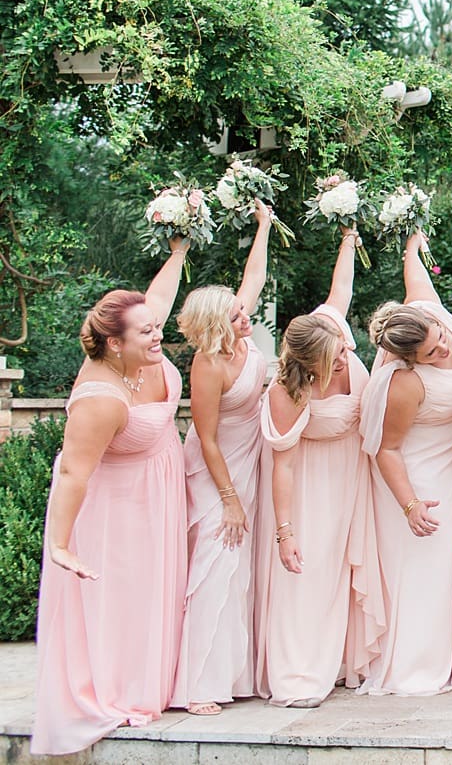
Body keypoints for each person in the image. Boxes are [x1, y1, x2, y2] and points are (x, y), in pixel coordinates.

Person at [32, 241, 190, 756]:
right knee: (126, 598)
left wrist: (180, 248)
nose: (158, 333)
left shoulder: (142, 349)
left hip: (159, 488)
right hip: (117, 510)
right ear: (114, 344)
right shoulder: (100, 399)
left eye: (154, 325)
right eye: (145, 331)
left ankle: (160, 681)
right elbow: (76, 473)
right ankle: (121, 688)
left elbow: (158, 299)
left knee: (159, 589)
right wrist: (59, 545)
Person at [256, 228, 385, 707]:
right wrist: (285, 532)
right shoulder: (286, 392)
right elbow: (282, 468)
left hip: (352, 479)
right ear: (307, 363)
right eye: (331, 361)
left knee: (345, 573)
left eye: (343, 352)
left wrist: (349, 236)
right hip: (308, 489)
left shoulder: (335, 343)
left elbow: (341, 291)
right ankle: (298, 672)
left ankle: (342, 663)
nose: (343, 362)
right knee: (306, 576)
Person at [358, 230, 452, 695]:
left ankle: (451, 656)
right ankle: (415, 667)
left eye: (441, 337)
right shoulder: (404, 381)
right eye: (431, 352)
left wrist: (412, 241)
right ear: (408, 358)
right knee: (426, 567)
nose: (444, 348)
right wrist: (410, 506)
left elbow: (418, 285)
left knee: (451, 566)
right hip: (420, 475)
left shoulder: (427, 315)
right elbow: (386, 449)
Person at [171, 204, 274, 715]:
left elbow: (253, 276)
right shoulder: (207, 363)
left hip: (249, 463)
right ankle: (198, 684)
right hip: (215, 472)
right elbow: (205, 437)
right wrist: (229, 500)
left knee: (241, 572)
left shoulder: (242, 339)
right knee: (215, 565)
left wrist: (263, 226)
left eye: (242, 309)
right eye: (235, 313)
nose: (245, 313)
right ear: (218, 323)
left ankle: (232, 674)